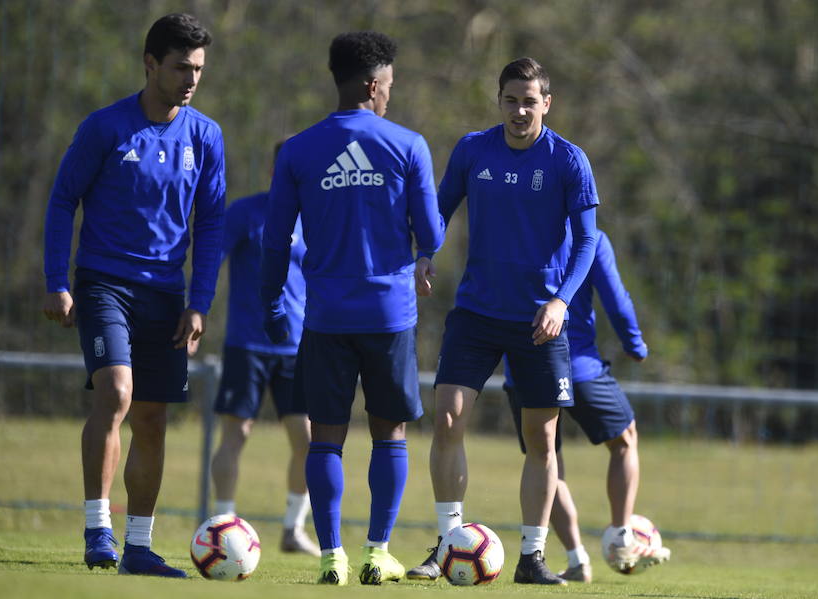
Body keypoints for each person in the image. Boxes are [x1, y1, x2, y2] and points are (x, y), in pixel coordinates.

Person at [42, 13, 225, 578]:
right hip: (104, 285)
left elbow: (211, 224)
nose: (190, 79)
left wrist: (199, 301)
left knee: (151, 419)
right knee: (116, 394)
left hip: (167, 295)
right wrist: (57, 281)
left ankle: (139, 548)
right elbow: (61, 201)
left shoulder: (206, 135)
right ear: (150, 64)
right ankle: (99, 530)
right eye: (179, 67)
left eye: (197, 69)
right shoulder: (104, 128)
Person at [260, 31, 444, 586]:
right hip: (388, 316)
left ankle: (331, 557)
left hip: (325, 316)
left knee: (325, 437)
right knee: (389, 435)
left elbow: (275, 240)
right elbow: (431, 231)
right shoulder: (408, 144)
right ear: (371, 85)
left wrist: (273, 301)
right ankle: (375, 552)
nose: (390, 95)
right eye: (388, 86)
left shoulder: (297, 149)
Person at [408, 57, 599, 585]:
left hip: (540, 320)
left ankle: (532, 558)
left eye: (530, 101)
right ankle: (448, 545)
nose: (520, 110)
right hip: (476, 312)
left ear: (546, 104)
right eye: (511, 100)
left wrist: (560, 301)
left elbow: (587, 242)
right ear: (499, 101)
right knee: (447, 417)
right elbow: (440, 210)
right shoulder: (474, 149)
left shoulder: (569, 161)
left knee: (541, 441)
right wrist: (425, 252)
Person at [504, 229, 671, 582]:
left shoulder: (513, 235)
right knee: (624, 439)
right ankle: (622, 535)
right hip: (579, 365)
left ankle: (576, 558)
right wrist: (634, 342)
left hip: (523, 366)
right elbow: (616, 298)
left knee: (545, 459)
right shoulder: (591, 238)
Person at [209, 141, 319, 557]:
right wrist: (196, 309)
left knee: (308, 442)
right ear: (276, 172)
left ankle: (293, 529)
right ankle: (222, 523)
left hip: (297, 349)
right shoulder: (244, 212)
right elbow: (210, 261)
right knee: (236, 435)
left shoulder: (317, 220)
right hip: (247, 345)